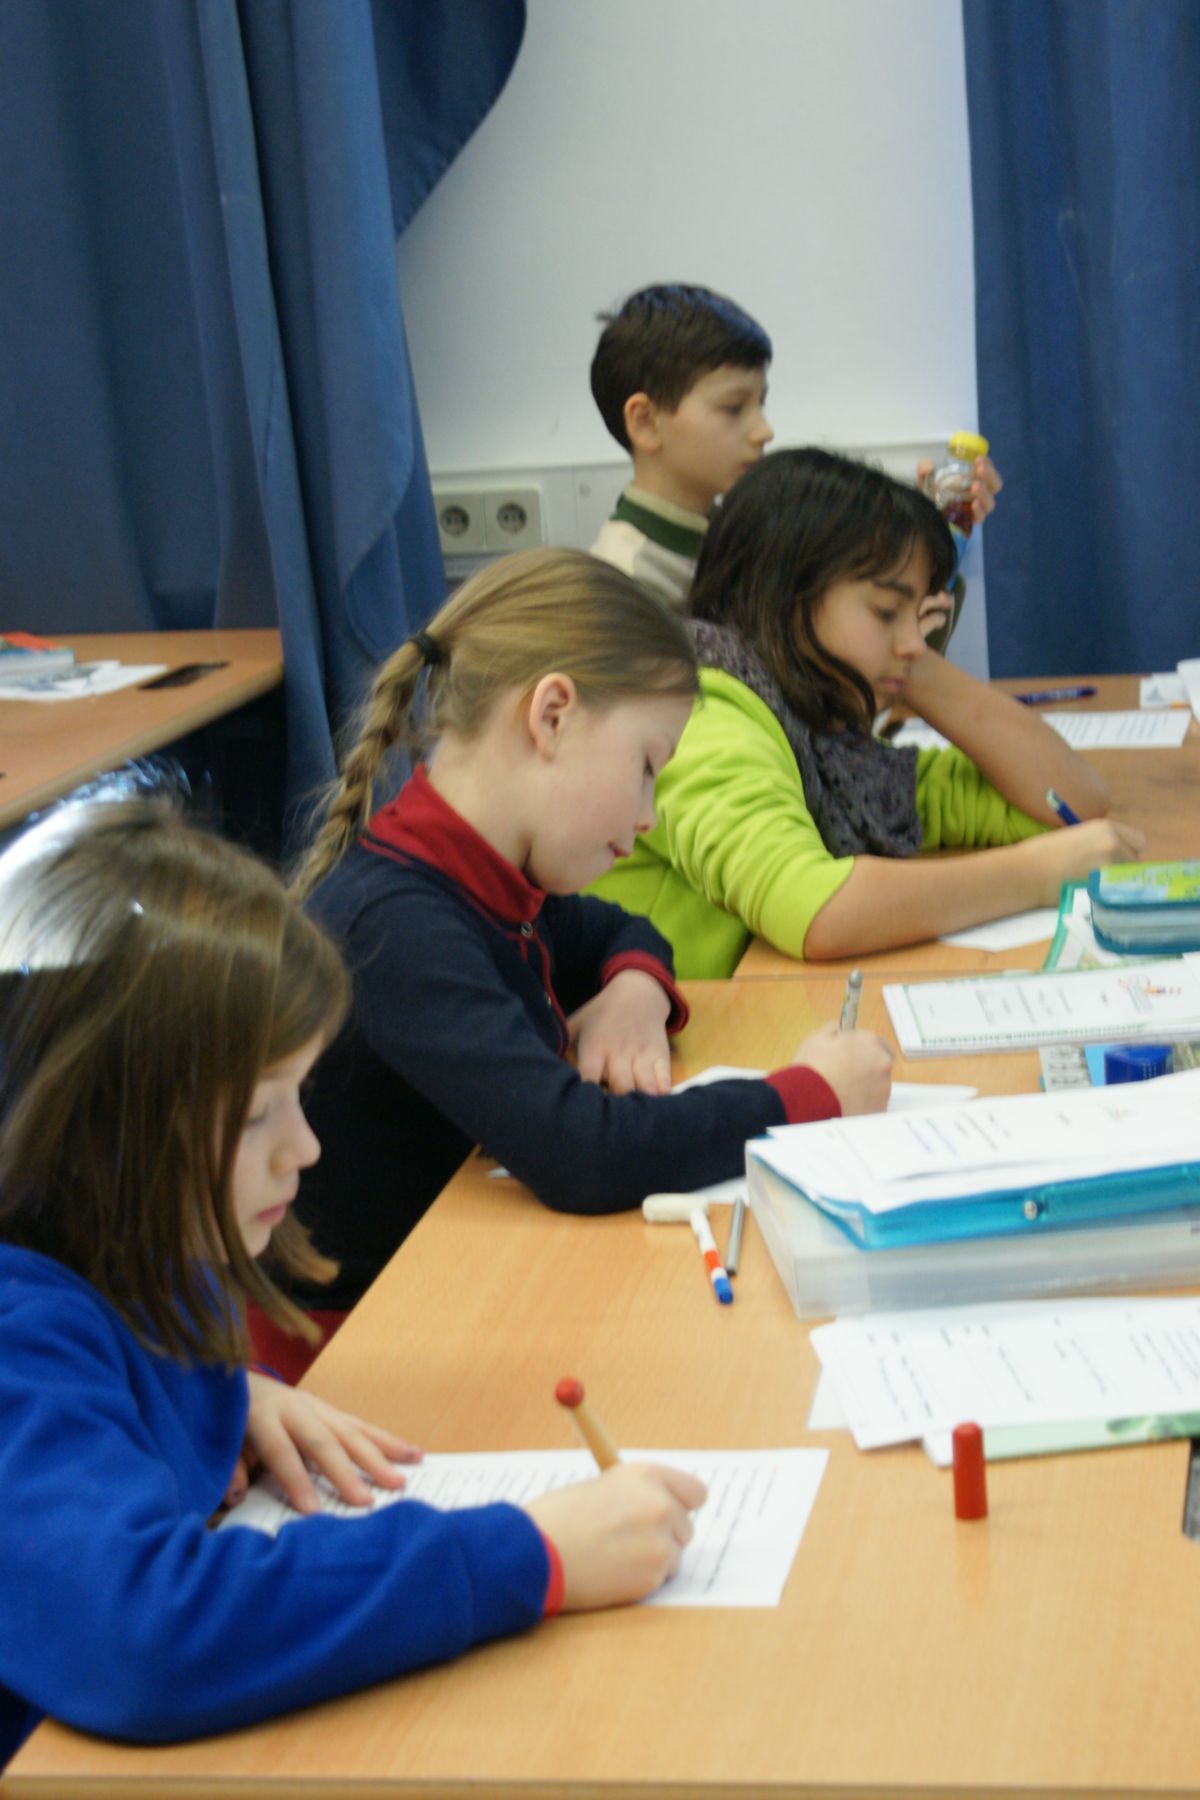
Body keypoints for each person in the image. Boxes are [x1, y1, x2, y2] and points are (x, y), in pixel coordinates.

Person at [0, 799, 709, 1764]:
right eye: (259, 1113)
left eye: (298, 1095)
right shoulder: (22, 1338)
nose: (306, 1147)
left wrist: (219, 1396)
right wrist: (526, 1553)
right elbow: (143, 1633)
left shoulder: (137, 1254)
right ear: (99, 1123)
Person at [271, 547, 893, 1376]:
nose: (648, 817)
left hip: (458, 1280)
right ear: (552, 715)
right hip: (354, 1352)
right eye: (646, 768)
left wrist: (635, 990)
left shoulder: (487, 878)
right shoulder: (397, 925)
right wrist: (808, 1095)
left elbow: (617, 930)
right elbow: (580, 1152)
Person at [586, 449, 1144, 978]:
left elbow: (1068, 804)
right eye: (886, 611)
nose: (914, 641)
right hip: (684, 1031)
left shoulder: (832, 746)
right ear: (788, 597)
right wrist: (1036, 875)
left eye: (916, 614)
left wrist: (911, 669)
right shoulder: (705, 713)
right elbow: (813, 911)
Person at [587, 282, 1000, 650]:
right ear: (645, 422)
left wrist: (932, 537)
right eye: (734, 408)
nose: (764, 430)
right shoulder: (625, 586)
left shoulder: (743, 534)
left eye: (761, 403)